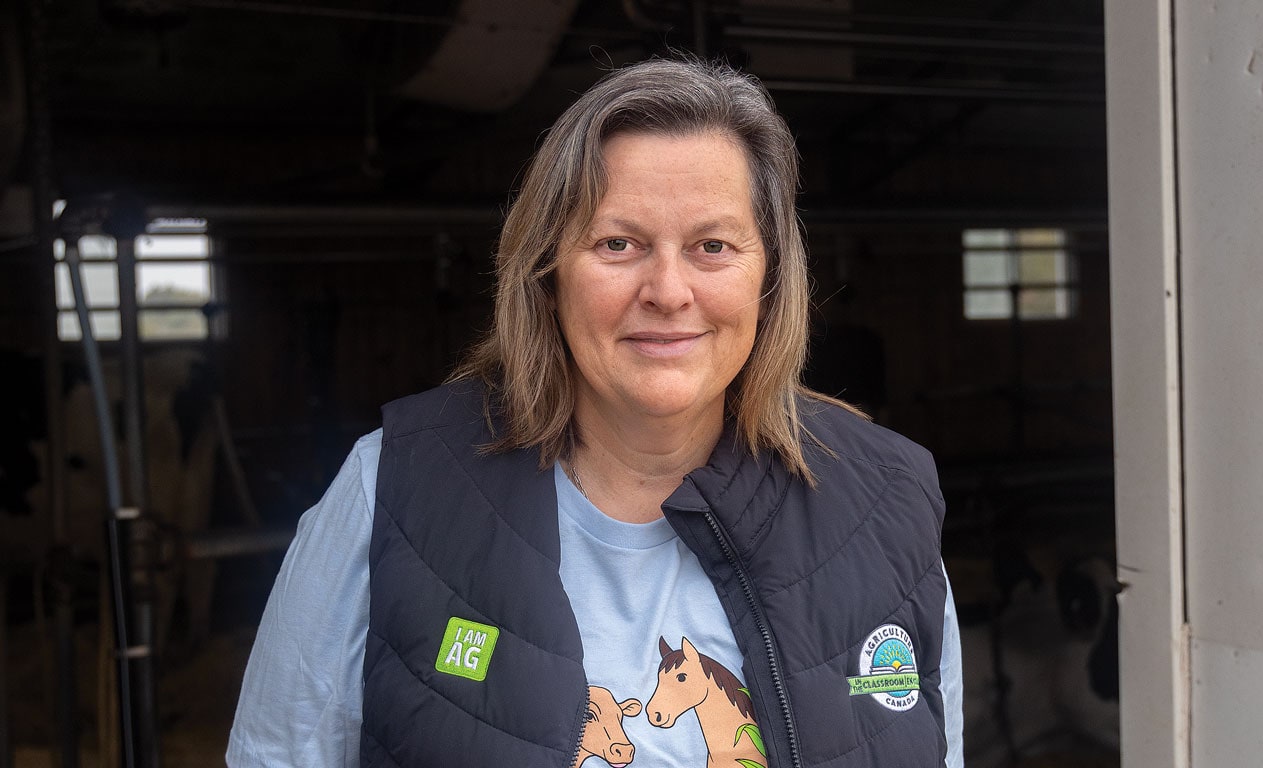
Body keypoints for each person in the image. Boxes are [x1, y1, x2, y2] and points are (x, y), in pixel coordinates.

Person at [228, 57, 963, 768]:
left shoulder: (884, 503)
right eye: (618, 243)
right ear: (547, 273)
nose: (668, 291)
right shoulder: (393, 486)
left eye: (712, 245)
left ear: (769, 276)